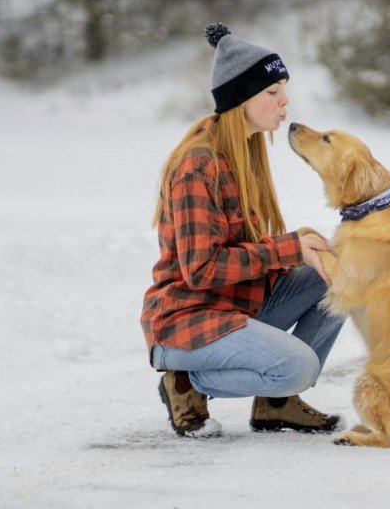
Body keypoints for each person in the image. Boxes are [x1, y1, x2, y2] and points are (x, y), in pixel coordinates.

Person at [140, 23, 344, 438]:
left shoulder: (243, 152)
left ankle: (276, 405)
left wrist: (302, 247)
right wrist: (286, 249)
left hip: (234, 306)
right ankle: (186, 381)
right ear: (241, 99)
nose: (284, 101)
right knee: (298, 366)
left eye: (283, 89)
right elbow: (201, 270)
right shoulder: (198, 166)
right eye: (272, 92)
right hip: (188, 320)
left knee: (339, 274)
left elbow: (248, 251)